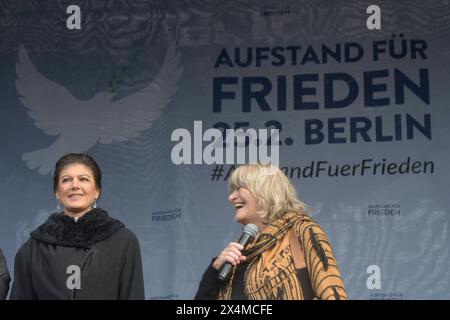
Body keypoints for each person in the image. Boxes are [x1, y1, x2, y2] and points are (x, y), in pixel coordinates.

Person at [195, 163, 347, 300]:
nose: (231, 197)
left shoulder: (302, 230)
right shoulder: (236, 254)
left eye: (239, 188)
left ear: (264, 190)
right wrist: (214, 270)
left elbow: (332, 292)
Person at [10, 153, 145, 300]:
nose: (75, 185)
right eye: (66, 180)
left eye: (84, 179)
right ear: (57, 192)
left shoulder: (123, 241)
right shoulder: (32, 249)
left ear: (97, 191)